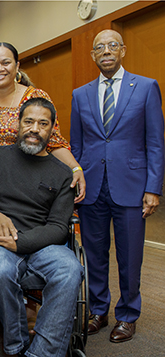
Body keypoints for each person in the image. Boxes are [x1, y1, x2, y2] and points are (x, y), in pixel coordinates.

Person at [0, 41, 86, 332]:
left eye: (6, 63)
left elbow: (53, 139)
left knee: (34, 236)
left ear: (17, 66)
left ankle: (28, 307)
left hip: (29, 172)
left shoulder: (34, 96)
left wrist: (75, 168)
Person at [70, 29, 165, 343]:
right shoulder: (80, 94)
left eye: (112, 45)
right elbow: (77, 146)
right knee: (95, 254)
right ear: (93, 55)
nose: (106, 51)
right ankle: (99, 310)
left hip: (132, 186)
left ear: (122, 50)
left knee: (130, 256)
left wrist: (153, 188)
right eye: (100, 47)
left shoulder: (147, 87)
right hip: (92, 188)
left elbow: (155, 143)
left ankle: (127, 315)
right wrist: (75, 183)